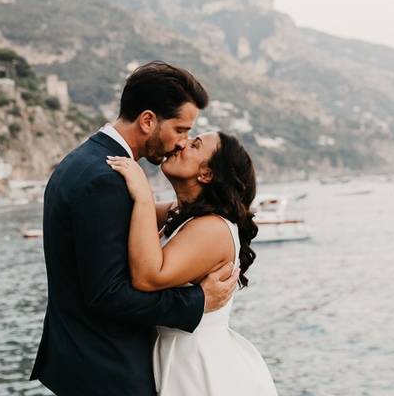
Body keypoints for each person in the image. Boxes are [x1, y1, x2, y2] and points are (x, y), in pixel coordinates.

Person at [31, 62, 240, 396]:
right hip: (107, 369)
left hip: (88, 360)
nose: (181, 143)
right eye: (181, 129)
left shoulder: (88, 162)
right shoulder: (106, 179)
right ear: (148, 121)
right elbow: (108, 295)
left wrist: (186, 206)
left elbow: (126, 226)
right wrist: (197, 300)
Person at [108, 131, 278, 395]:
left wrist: (144, 196)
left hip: (198, 367)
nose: (181, 143)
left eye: (194, 144)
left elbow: (148, 276)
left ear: (207, 174)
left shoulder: (213, 228)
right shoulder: (181, 213)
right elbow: (122, 215)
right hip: (174, 354)